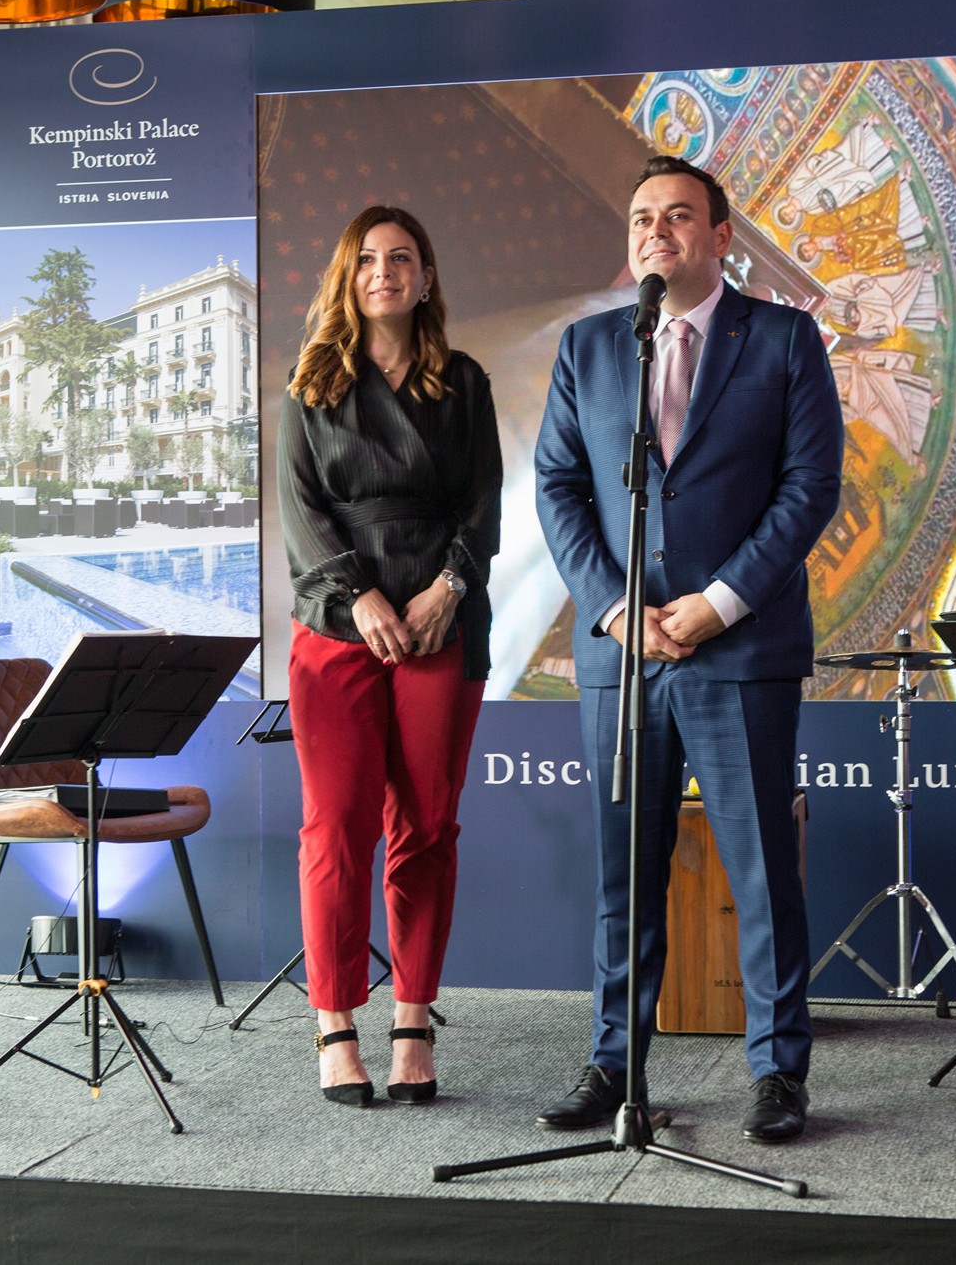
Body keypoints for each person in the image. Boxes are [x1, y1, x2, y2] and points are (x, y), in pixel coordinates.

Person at [534, 155, 843, 1144]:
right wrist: (614, 608)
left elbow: (809, 486)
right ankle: (613, 1062)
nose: (654, 232)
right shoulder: (590, 346)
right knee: (625, 875)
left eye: (676, 216)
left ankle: (777, 1071)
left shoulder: (783, 338)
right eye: (640, 219)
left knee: (761, 874)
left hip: (739, 652)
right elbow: (558, 486)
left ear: (719, 236)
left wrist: (716, 604)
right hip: (624, 658)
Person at [279, 205, 502, 1107]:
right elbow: (301, 511)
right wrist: (357, 594)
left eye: (401, 257)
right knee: (336, 828)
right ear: (348, 275)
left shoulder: (466, 382)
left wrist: (448, 587)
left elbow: (484, 502)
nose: (384, 271)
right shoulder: (309, 384)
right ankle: (335, 1025)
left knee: (426, 827)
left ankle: (414, 1021)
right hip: (339, 625)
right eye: (367, 258)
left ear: (425, 276)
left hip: (440, 622)